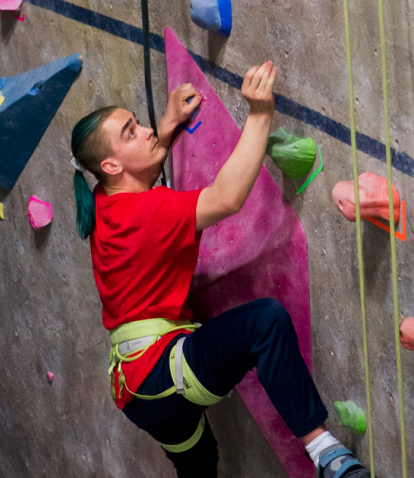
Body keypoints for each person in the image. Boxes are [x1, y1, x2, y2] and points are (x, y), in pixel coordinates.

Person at [71, 61, 371, 478]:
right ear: (111, 166)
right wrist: (261, 113)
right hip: (161, 374)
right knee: (264, 323)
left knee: (200, 467)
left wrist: (168, 125)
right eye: (132, 132)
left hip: (137, 392)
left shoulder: (104, 199)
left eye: (138, 123)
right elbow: (227, 198)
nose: (144, 131)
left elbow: (138, 171)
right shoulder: (144, 211)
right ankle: (327, 455)